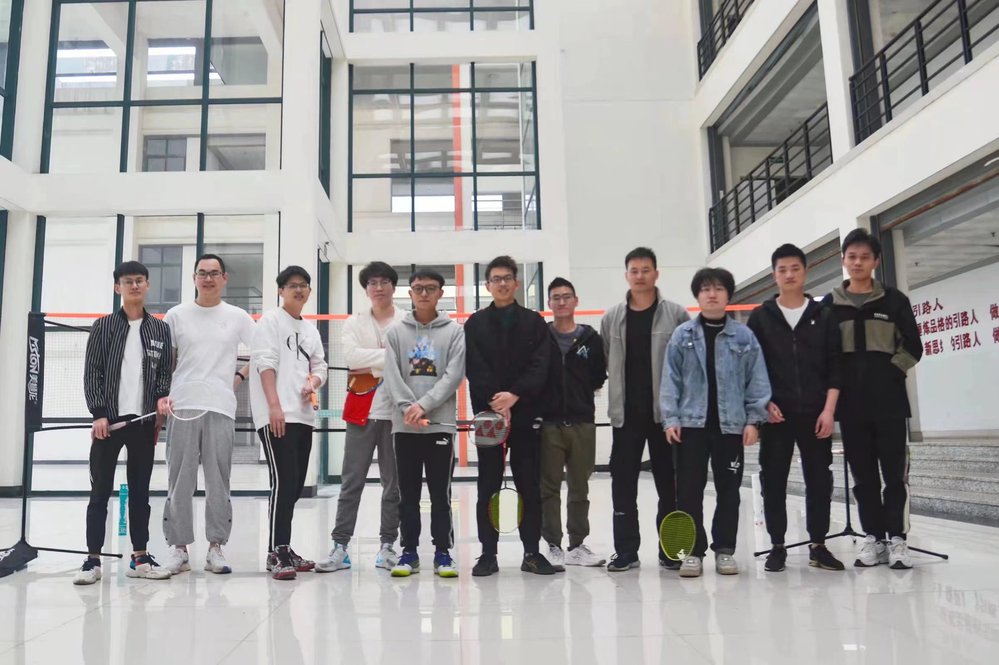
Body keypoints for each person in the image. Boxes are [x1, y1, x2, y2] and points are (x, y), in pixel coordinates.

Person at [661, 267, 770, 578]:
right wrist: (670, 418)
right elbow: (670, 380)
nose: (712, 294)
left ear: (728, 295)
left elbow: (757, 381)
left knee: (729, 492)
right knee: (688, 492)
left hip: (730, 427)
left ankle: (725, 550)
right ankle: (692, 553)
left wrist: (754, 420)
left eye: (719, 289)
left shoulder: (744, 336)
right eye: (706, 289)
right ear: (697, 295)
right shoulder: (682, 335)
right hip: (690, 427)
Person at [823, 228, 922, 570]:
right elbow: (824, 354)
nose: (858, 262)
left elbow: (914, 347)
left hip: (890, 405)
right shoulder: (830, 305)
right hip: (851, 408)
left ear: (876, 261)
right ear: (843, 260)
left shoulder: (894, 301)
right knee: (863, 478)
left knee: (894, 476)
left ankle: (897, 539)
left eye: (865, 257)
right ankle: (873, 538)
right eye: (852, 257)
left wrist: (890, 374)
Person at [747, 244, 845, 572]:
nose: (789, 275)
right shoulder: (761, 318)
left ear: (805, 271)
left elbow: (835, 366)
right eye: (782, 270)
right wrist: (764, 403)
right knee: (773, 481)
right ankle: (777, 546)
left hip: (817, 413)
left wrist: (829, 411)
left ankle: (819, 545)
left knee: (819, 481)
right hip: (776, 415)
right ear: (774, 275)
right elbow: (752, 368)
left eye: (795, 268)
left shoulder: (823, 315)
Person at [77, 261, 174, 585]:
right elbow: (92, 372)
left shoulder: (159, 329)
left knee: (140, 493)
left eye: (140, 280)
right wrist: (98, 414)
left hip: (143, 424)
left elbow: (164, 373)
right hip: (108, 424)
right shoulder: (103, 326)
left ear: (147, 285)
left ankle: (140, 558)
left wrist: (161, 400)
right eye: (128, 281)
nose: (134, 286)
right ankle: (92, 561)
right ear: (118, 287)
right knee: (99, 493)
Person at [159, 254, 256, 575]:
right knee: (179, 480)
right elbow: (166, 362)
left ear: (224, 278)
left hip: (221, 407)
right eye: (202, 273)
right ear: (194, 278)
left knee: (218, 481)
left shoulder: (238, 316)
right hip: (182, 406)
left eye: (214, 273)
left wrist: (239, 376)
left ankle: (216, 547)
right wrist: (163, 396)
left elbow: (263, 352)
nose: (208, 278)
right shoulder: (176, 315)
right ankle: (178, 548)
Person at [600, 247, 689, 572]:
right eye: (634, 271)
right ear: (627, 275)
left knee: (670, 485)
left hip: (666, 417)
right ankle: (626, 551)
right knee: (623, 486)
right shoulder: (612, 318)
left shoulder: (676, 315)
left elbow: (687, 364)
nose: (640, 276)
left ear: (656, 273)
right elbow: (607, 359)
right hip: (625, 416)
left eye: (646, 270)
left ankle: (671, 549)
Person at [464, 256, 555, 576]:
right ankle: (488, 554)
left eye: (507, 278)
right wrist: (497, 401)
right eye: (495, 279)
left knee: (529, 485)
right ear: (487, 285)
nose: (501, 284)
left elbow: (541, 365)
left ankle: (531, 553)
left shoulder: (534, 322)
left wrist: (515, 395)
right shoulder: (475, 324)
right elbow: (474, 367)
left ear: (516, 284)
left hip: (526, 415)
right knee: (487, 485)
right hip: (489, 417)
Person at [316, 262, 404, 572]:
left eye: (384, 282)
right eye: (372, 283)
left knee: (394, 484)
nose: (378, 288)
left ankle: (388, 546)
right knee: (351, 482)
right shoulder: (354, 322)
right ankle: (340, 546)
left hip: (397, 414)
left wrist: (373, 362)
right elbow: (352, 359)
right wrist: (389, 359)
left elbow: (409, 360)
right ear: (366, 289)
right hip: (361, 411)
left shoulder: (406, 321)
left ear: (393, 286)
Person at [381, 268, 466, 578]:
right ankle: (409, 552)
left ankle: (443, 552)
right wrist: (409, 408)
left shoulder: (454, 332)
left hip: (439, 426)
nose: (424, 293)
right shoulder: (395, 333)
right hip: (405, 426)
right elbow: (391, 375)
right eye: (418, 288)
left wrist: (423, 405)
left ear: (441, 293)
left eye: (431, 288)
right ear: (410, 293)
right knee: (408, 494)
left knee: (440, 495)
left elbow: (453, 375)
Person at [249, 266, 328, 580]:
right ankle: (276, 552)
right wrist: (274, 407)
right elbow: (264, 363)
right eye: (292, 285)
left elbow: (320, 366)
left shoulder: (309, 329)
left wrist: (314, 382)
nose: (299, 289)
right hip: (277, 415)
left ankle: (284, 546)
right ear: (281, 290)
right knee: (282, 482)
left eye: (304, 285)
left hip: (303, 416)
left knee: (294, 485)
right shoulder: (270, 321)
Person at [540, 277, 608, 569]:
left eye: (566, 296)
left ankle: (577, 545)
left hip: (582, 423)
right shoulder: (541, 337)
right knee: (549, 488)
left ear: (576, 301)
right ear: (549, 303)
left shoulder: (591, 339)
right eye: (556, 297)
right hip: (549, 424)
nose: (562, 302)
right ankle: (553, 545)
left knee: (580, 487)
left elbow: (598, 376)